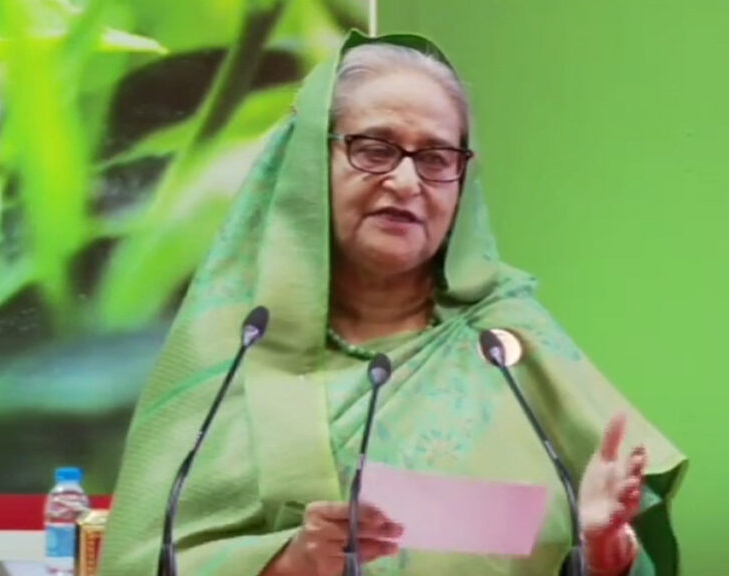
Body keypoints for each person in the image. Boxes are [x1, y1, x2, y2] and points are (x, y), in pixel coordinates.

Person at [98, 31, 687, 576]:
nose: (407, 183)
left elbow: (595, 554)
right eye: (375, 149)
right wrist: (289, 563)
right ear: (311, 164)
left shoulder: (509, 351)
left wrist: (603, 555)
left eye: (436, 158)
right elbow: (137, 564)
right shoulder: (231, 349)